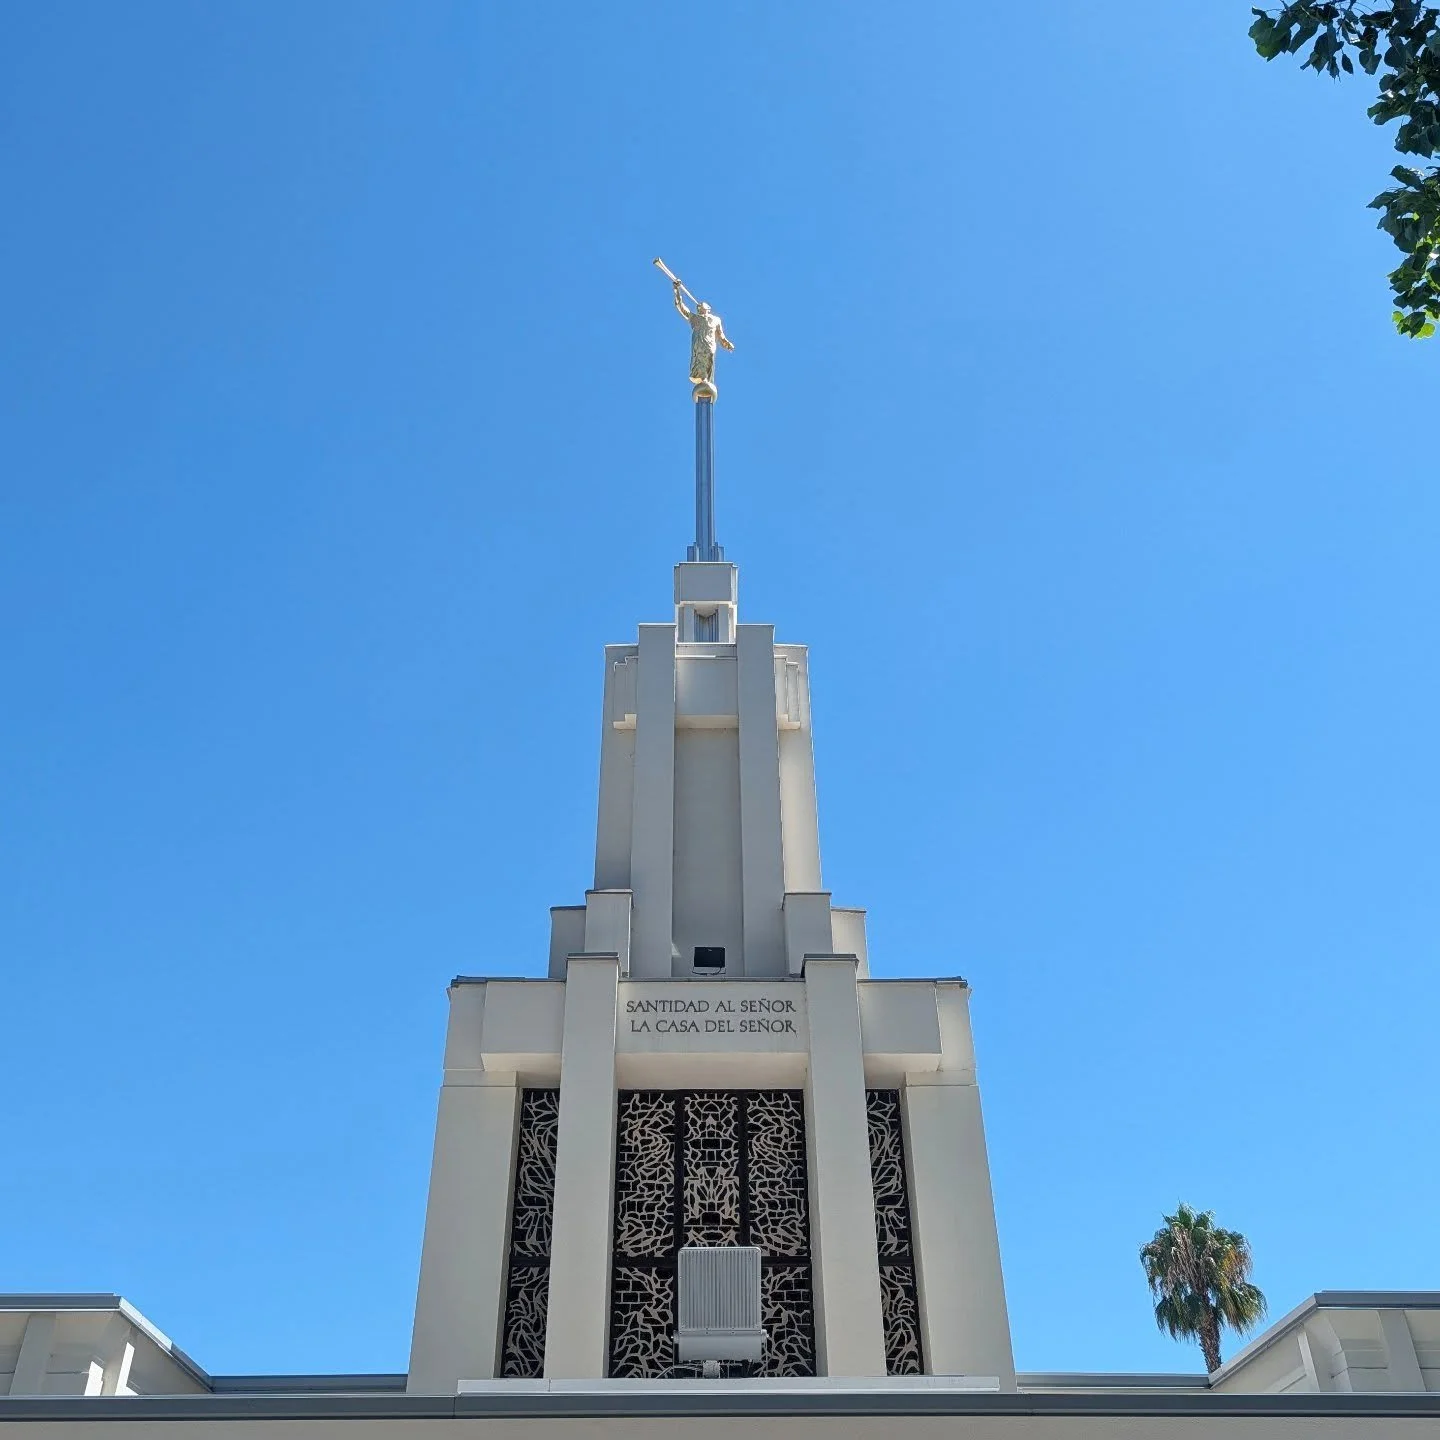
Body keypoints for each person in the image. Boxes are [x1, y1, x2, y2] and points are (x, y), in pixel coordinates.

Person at [673, 282, 734, 389]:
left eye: (701, 305)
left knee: (709, 357)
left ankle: (707, 380)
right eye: (698, 307)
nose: (698, 306)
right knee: (699, 358)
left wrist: (726, 343)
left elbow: (720, 335)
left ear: (708, 308)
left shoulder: (716, 319)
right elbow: (681, 307)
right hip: (698, 343)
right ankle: (702, 378)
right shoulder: (695, 318)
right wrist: (677, 290)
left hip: (710, 344)